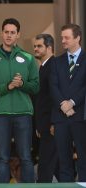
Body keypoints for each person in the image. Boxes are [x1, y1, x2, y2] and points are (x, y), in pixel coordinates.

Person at [0, 18, 39, 183]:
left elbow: (36, 87)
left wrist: (22, 84)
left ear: (18, 35)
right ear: (1, 33)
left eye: (12, 33)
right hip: (0, 113)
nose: (9, 36)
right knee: (2, 157)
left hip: (23, 112)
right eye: (6, 32)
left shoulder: (28, 58)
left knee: (25, 156)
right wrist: (8, 86)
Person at [50, 23, 86, 182]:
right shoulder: (56, 62)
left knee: (84, 160)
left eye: (66, 37)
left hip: (81, 117)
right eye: (62, 37)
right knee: (64, 161)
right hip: (61, 118)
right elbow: (53, 86)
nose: (63, 40)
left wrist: (71, 102)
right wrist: (63, 105)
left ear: (77, 38)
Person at [33, 33, 59, 182]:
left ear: (49, 47)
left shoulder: (54, 66)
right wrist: (39, 124)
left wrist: (54, 122)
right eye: (35, 46)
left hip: (52, 126)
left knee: (45, 168)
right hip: (45, 126)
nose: (35, 49)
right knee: (51, 166)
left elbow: (57, 96)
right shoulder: (43, 67)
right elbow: (42, 99)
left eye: (39, 46)